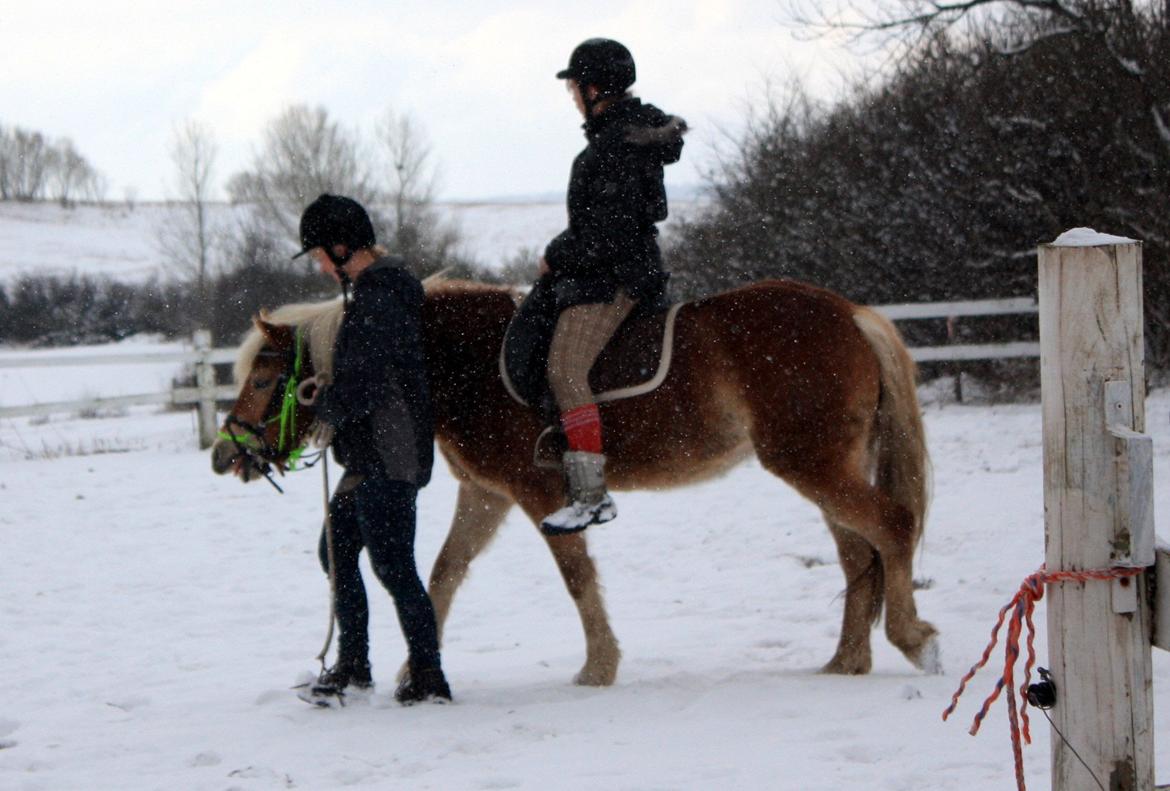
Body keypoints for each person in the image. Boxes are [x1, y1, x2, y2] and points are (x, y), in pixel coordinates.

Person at [293, 194, 451, 706]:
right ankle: (354, 665)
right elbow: (362, 378)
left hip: (391, 451)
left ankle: (428, 676)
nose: (318, 264)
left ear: (342, 247)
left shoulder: (381, 298)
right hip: (370, 453)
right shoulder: (370, 294)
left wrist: (329, 406)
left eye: (319, 253)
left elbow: (369, 383)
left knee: (393, 566)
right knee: (336, 555)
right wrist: (333, 397)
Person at [538, 38, 687, 535]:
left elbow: (606, 234)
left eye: (574, 87)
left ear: (594, 87)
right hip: (621, 267)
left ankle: (589, 494)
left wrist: (555, 255)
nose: (572, 97)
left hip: (617, 280)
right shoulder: (623, 137)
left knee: (564, 369)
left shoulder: (614, 145)